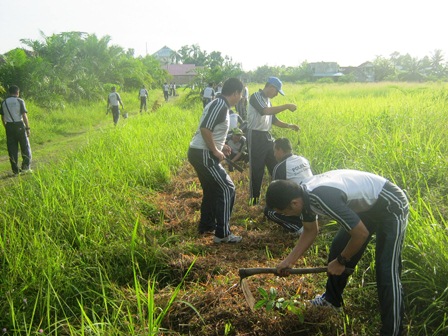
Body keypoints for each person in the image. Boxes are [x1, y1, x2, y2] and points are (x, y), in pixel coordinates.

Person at [265, 170, 409, 336]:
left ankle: (393, 331)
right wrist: (289, 261)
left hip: (390, 204)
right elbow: (310, 231)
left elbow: (360, 234)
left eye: (283, 212)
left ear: (294, 203)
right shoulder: (302, 197)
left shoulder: (319, 197)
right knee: (338, 247)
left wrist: (342, 260)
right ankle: (331, 300)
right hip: (367, 208)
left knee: (386, 270)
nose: (285, 216)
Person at [188, 77, 244, 243]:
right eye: (240, 94)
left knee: (212, 190)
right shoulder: (220, 105)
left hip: (200, 152)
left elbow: (212, 130)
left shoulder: (219, 104)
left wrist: (221, 146)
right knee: (227, 188)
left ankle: (206, 225)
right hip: (204, 153)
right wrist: (214, 150)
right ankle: (223, 234)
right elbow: (205, 129)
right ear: (235, 93)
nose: (241, 97)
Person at [247, 76, 299, 205]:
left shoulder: (268, 100)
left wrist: (289, 126)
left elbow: (273, 120)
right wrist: (286, 106)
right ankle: (254, 201)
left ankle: (279, 197)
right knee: (257, 169)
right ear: (270, 87)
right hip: (255, 136)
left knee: (275, 166)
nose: (276, 95)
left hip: (266, 136)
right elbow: (265, 111)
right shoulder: (256, 96)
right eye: (276, 92)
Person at [264, 138, 313, 234]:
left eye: (275, 151)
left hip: (300, 204)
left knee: (269, 210)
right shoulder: (303, 159)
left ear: (280, 150)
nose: (274, 155)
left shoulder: (280, 167)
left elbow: (275, 193)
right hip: (314, 200)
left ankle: (298, 227)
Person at [0, 85, 32, 175]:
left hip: (9, 127)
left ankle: (15, 170)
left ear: (9, 92)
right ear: (17, 92)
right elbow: (24, 115)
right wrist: (27, 127)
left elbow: (2, 117)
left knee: (12, 149)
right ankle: (25, 167)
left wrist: (6, 127)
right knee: (25, 147)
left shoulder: (4, 102)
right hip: (19, 126)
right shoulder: (20, 101)